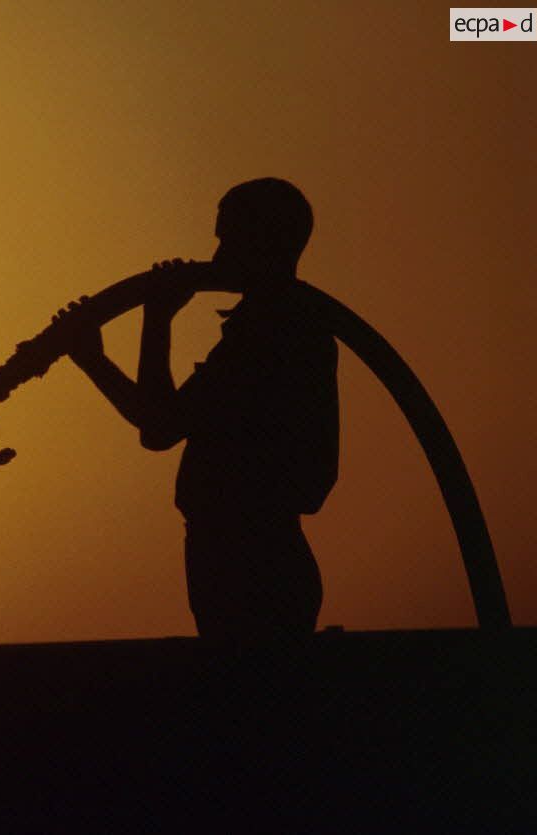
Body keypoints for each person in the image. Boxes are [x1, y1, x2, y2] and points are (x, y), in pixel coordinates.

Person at [62, 178, 339, 641]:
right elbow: (162, 422)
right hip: (244, 554)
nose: (216, 257)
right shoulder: (276, 327)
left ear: (263, 242)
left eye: (228, 239)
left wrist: (155, 320)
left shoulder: (274, 335)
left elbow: (159, 426)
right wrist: (94, 358)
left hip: (250, 561)